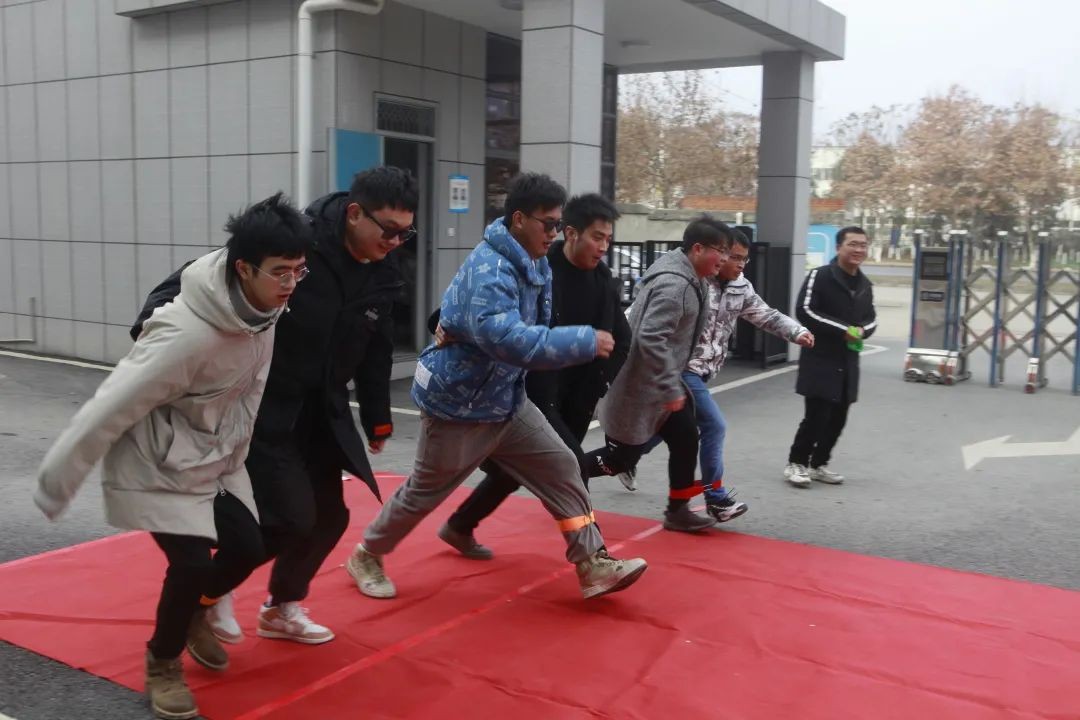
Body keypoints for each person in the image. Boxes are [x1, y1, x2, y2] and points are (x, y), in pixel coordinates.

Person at [34, 194, 310, 720]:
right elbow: (110, 405)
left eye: (299, 270)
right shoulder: (184, 333)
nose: (292, 283)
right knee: (190, 564)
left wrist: (237, 455)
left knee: (248, 546)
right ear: (243, 268)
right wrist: (58, 479)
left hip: (212, 457)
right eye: (281, 272)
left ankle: (194, 614)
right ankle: (162, 662)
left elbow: (248, 392)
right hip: (156, 460)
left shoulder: (264, 311)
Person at [131, 167, 418, 644]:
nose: (395, 241)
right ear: (354, 214)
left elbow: (377, 346)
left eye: (405, 233)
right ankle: (210, 591)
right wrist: (153, 337)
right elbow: (193, 284)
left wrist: (378, 418)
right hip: (260, 405)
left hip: (321, 410)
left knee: (330, 518)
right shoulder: (296, 243)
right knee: (289, 518)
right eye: (388, 230)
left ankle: (281, 606)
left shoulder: (384, 270)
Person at [345, 173, 648, 600]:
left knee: (563, 466)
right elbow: (507, 339)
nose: (554, 233)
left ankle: (592, 562)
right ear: (519, 219)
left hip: (507, 399)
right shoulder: (491, 269)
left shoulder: (534, 261)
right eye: (549, 224)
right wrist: (583, 340)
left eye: (558, 224)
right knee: (424, 492)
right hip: (460, 407)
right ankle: (367, 554)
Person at [436, 192, 630, 559]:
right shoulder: (537, 268)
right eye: (597, 237)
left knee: (512, 473)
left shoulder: (604, 280)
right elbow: (474, 306)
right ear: (571, 233)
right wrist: (441, 324)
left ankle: (459, 525)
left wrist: (601, 380)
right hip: (532, 395)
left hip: (578, 398)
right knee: (572, 466)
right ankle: (596, 559)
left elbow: (622, 339)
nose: (604, 247)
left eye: (608, 239)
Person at [620, 230, 815, 520]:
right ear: (718, 252)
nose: (739, 264)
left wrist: (796, 331)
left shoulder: (741, 287)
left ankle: (625, 456)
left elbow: (767, 315)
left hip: (704, 370)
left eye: (744, 259)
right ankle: (716, 497)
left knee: (673, 427)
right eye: (734, 257)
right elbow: (640, 314)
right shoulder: (692, 282)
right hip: (681, 368)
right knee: (714, 426)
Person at [584, 215, 731, 533]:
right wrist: (669, 385)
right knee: (620, 459)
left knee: (686, 436)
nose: (724, 258)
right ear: (697, 249)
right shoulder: (676, 285)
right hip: (640, 387)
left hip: (660, 385)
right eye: (720, 250)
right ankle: (564, 473)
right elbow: (651, 338)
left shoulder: (691, 277)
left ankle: (677, 511)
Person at [784, 226, 877, 487]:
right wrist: (843, 330)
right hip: (821, 359)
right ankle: (796, 463)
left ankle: (818, 464)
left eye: (863, 245)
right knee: (816, 416)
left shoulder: (865, 285)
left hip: (848, 362)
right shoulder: (820, 276)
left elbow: (871, 319)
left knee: (839, 418)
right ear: (838, 248)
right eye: (853, 244)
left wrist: (862, 331)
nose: (859, 249)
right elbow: (805, 310)